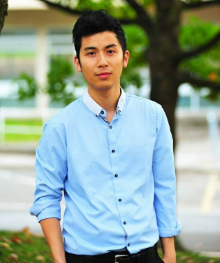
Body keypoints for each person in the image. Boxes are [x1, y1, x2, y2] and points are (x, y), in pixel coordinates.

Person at [30, 9, 182, 263]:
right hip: (85, 258)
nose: (102, 61)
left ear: (125, 58)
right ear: (78, 63)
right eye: (91, 53)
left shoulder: (153, 115)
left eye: (110, 51)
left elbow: (164, 186)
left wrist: (170, 254)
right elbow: (47, 198)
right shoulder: (59, 128)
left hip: (147, 256)